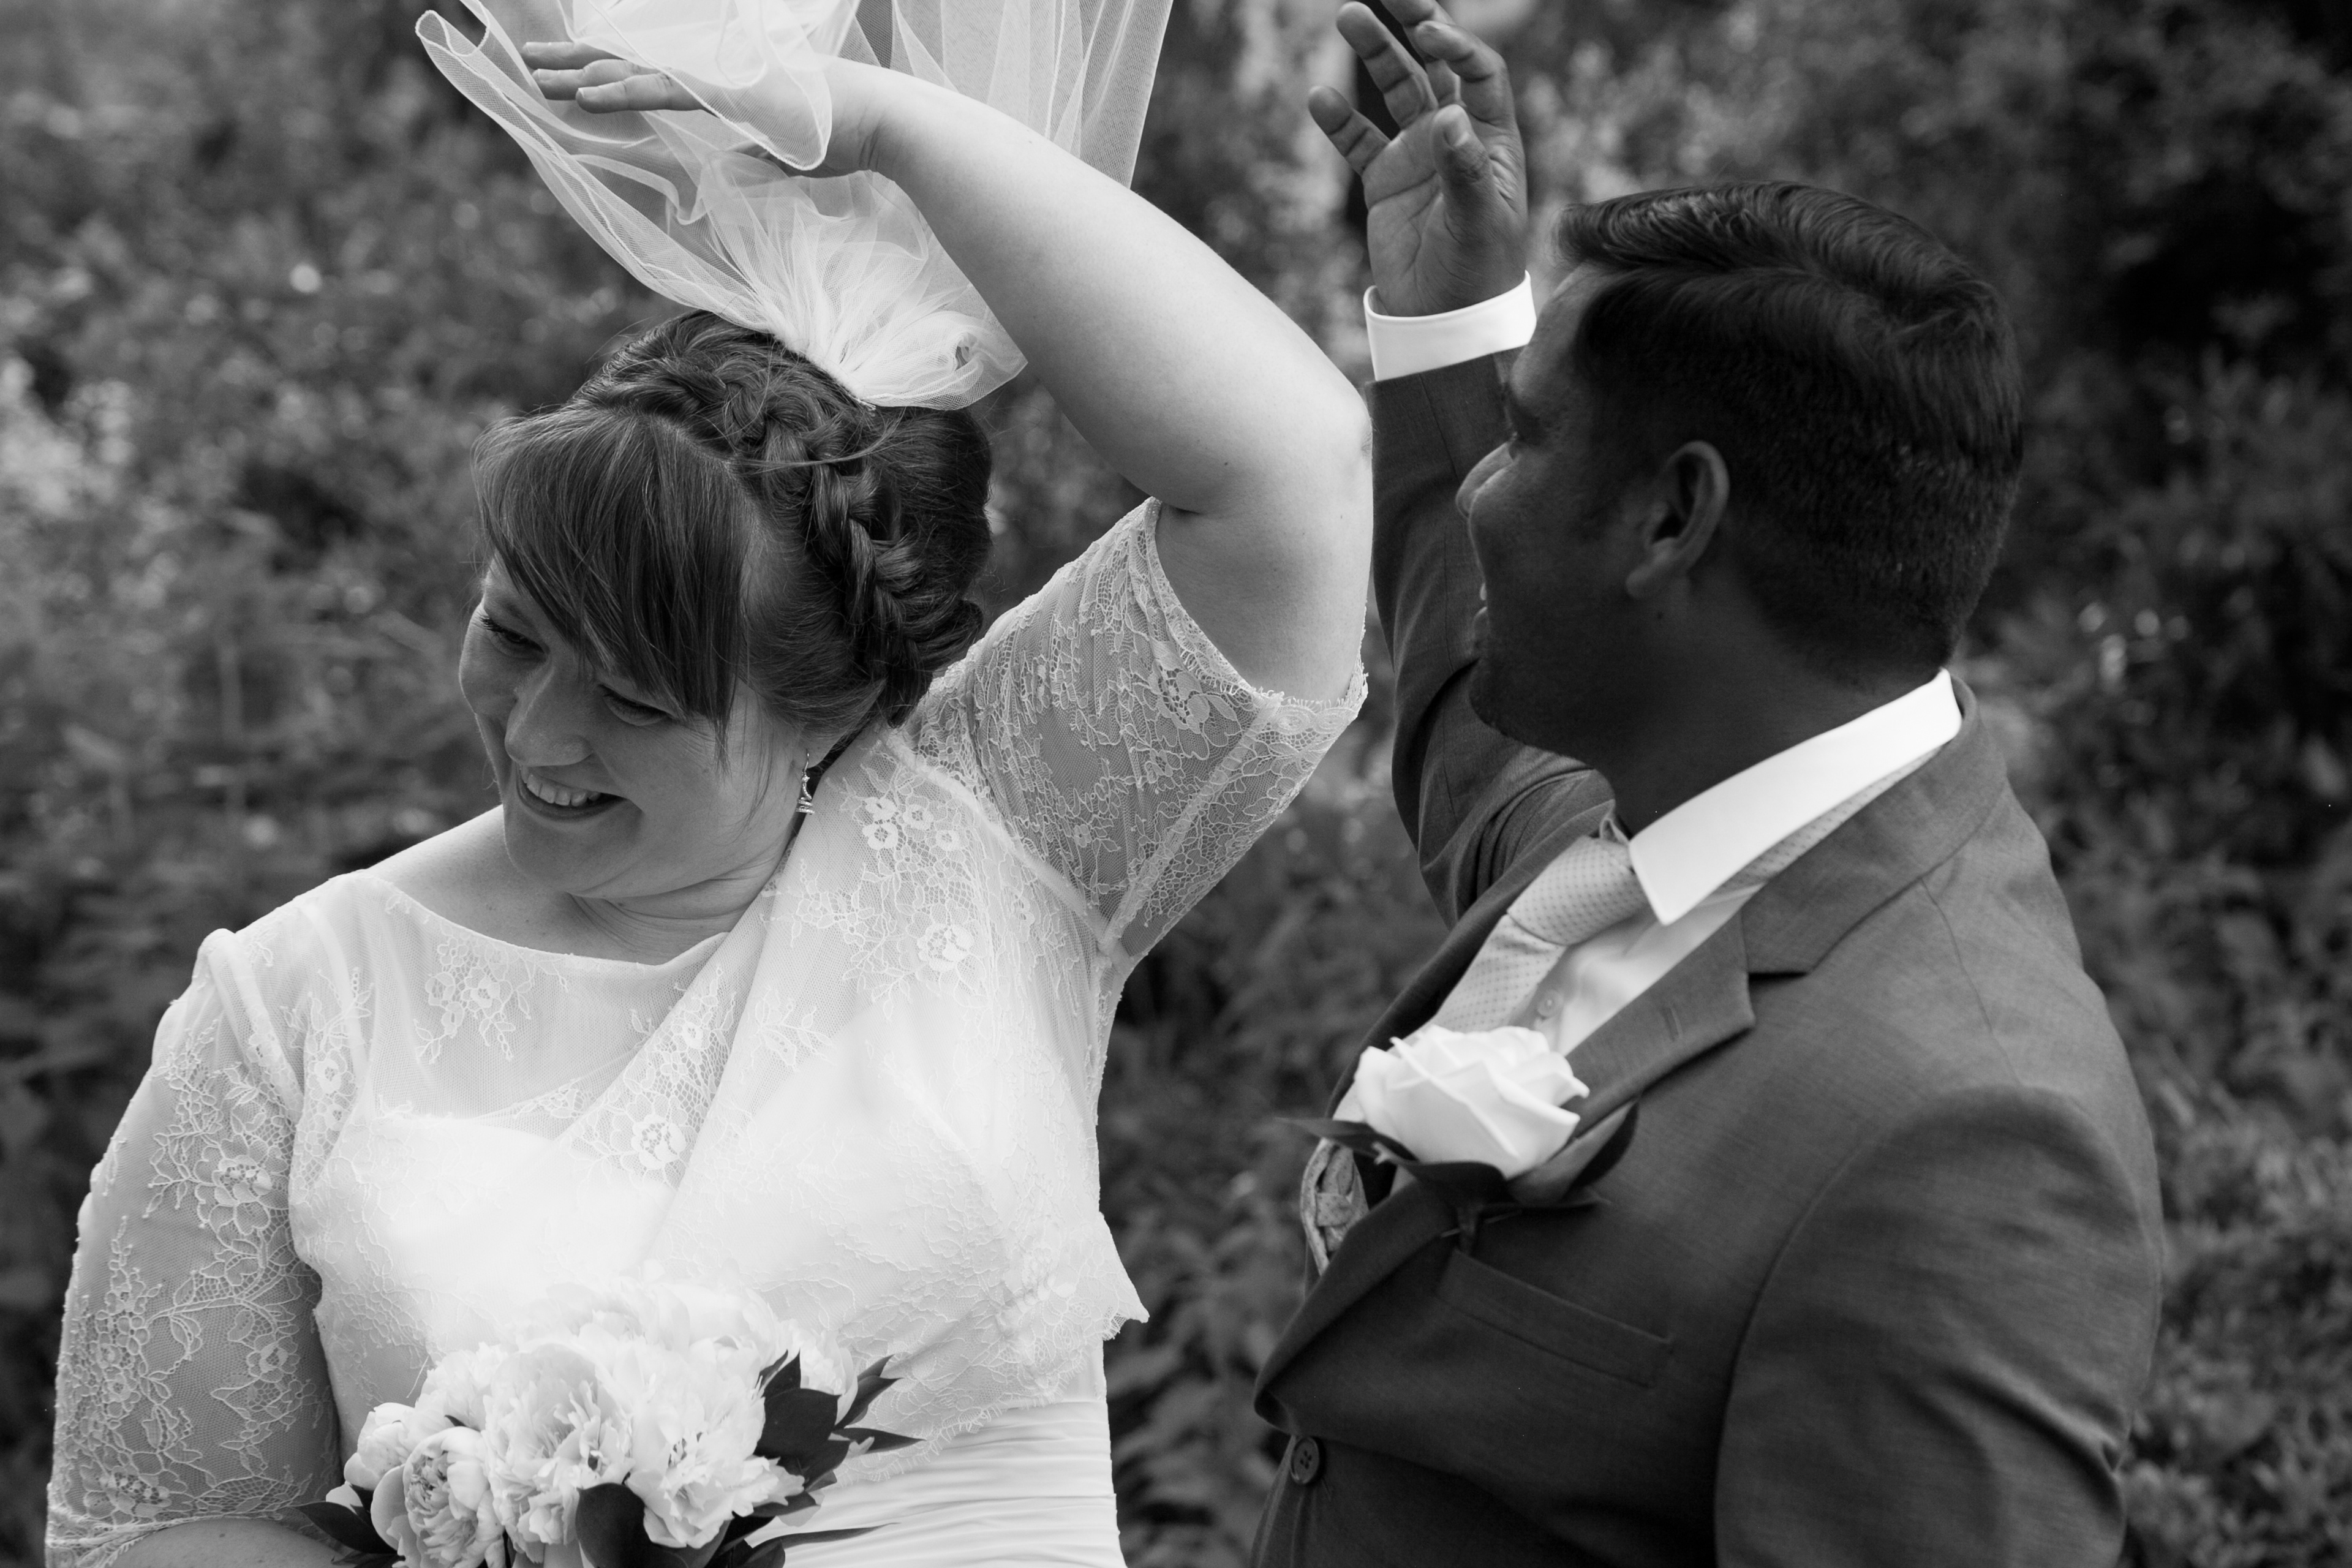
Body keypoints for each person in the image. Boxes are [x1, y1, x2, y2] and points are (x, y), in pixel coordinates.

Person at [43, 9, 1372, 1566]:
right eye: (513, 634)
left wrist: (875, 123)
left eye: (634, 700)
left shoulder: (1001, 834)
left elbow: (1293, 467)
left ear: (837, 708)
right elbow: (162, 1529)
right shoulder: (291, 1007)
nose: (540, 734)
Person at [1249, 4, 2166, 1564]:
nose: (1483, 492)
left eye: (1525, 438)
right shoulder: (1653, 803)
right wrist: (1453, 318)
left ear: (1675, 519)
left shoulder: (1970, 1135)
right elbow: (1470, 690)